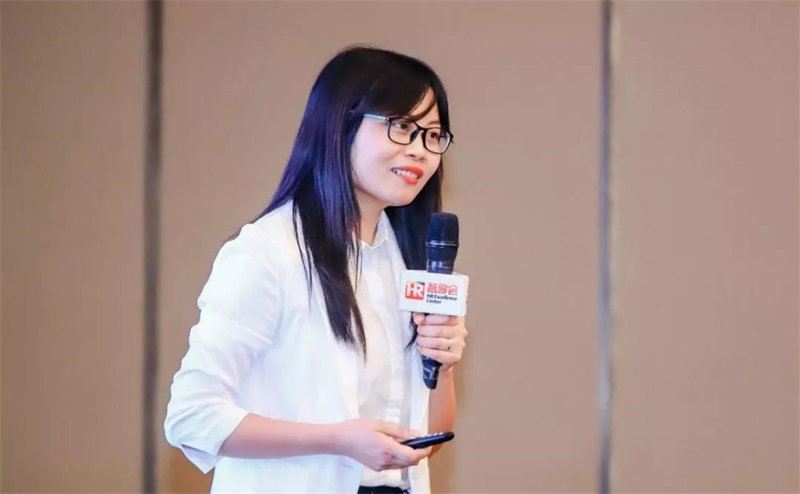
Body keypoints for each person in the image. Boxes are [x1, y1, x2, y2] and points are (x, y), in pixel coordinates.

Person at [164, 46, 468, 494]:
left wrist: (442, 362)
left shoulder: (408, 261)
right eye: (402, 127)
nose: (420, 150)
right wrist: (338, 440)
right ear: (340, 125)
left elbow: (430, 436)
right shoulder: (267, 252)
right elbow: (191, 416)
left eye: (433, 135)